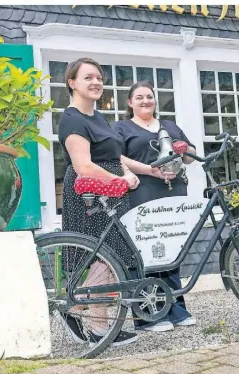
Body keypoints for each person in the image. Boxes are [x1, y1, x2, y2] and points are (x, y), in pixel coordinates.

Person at [57, 57, 140, 346]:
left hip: (113, 192)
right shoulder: (72, 118)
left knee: (109, 256)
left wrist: (130, 172)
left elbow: (114, 154)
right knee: (101, 257)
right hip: (90, 191)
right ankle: (94, 323)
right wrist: (118, 181)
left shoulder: (98, 117)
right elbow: (84, 166)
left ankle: (85, 311)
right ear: (72, 83)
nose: (96, 83)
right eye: (88, 77)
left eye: (99, 79)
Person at [113, 81, 198, 333]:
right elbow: (116, 157)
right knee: (146, 253)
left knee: (172, 250)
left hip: (173, 193)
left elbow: (190, 157)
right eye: (139, 97)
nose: (145, 101)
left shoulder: (170, 126)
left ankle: (176, 309)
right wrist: (150, 169)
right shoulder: (121, 127)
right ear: (130, 102)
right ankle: (148, 315)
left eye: (149, 97)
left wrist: (185, 149)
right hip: (142, 191)